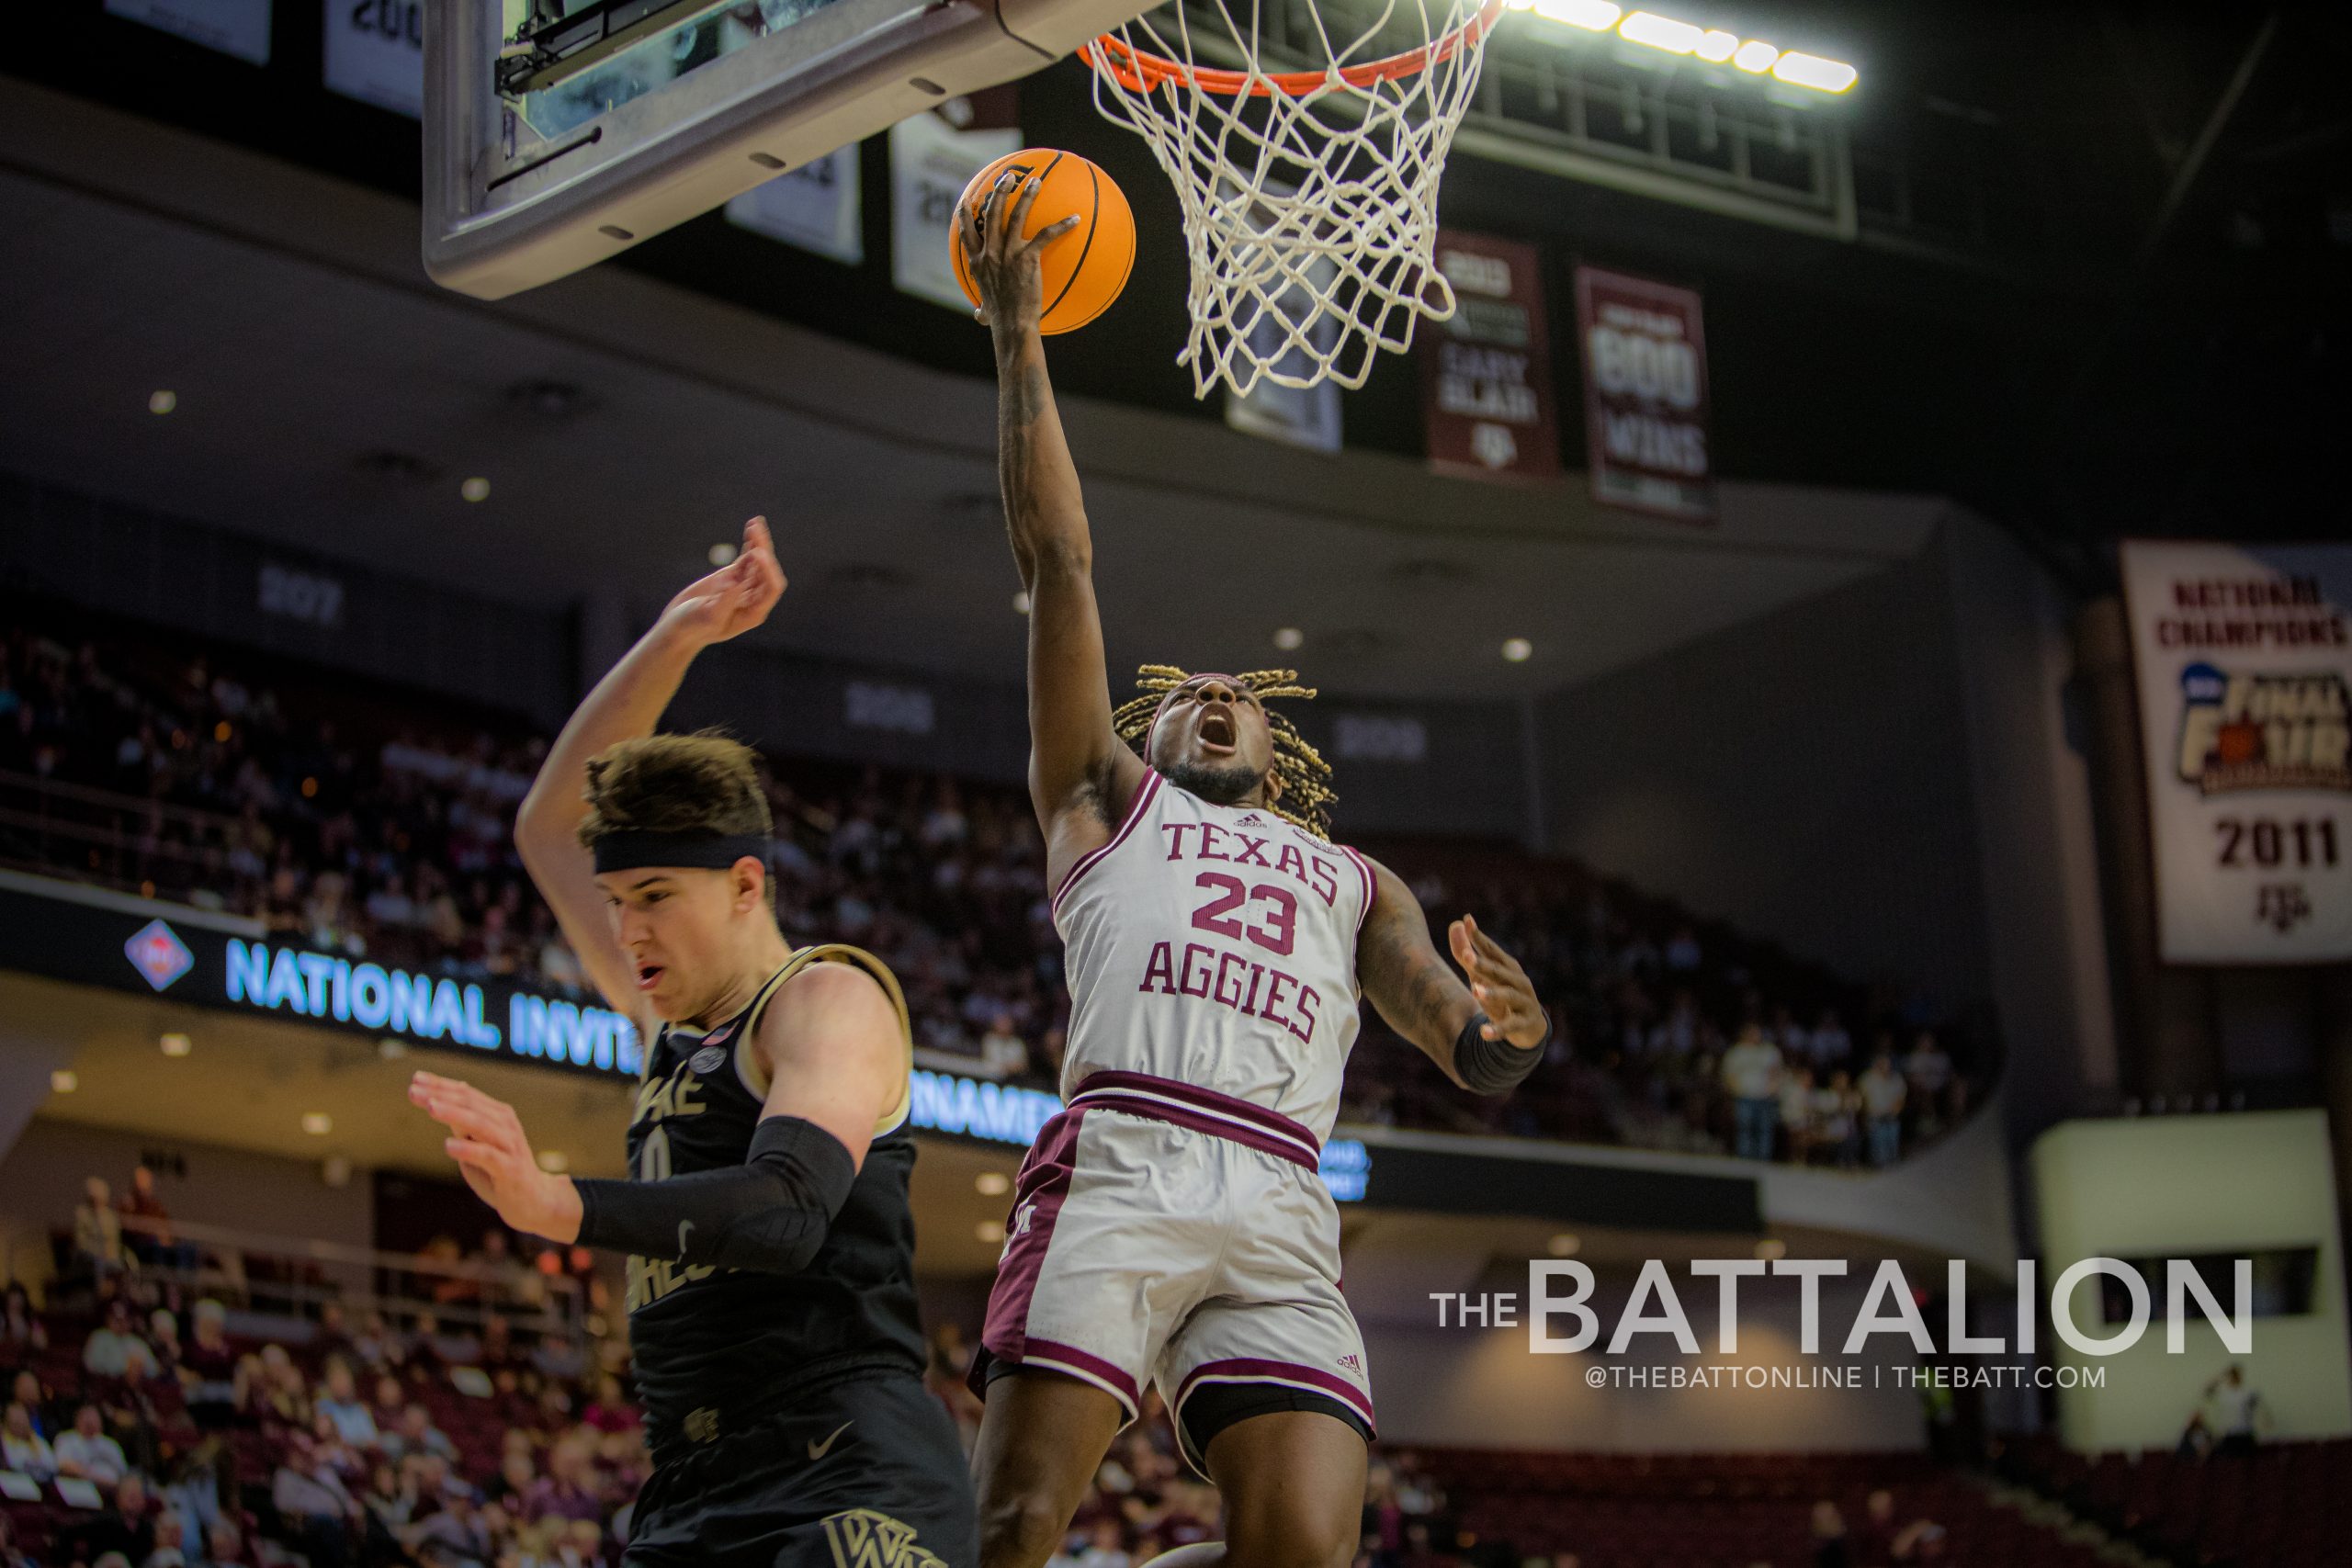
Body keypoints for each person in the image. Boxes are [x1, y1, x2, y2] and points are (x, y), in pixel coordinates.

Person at [960, 180, 1552, 1568]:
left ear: (1277, 759)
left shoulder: (1355, 876)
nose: (1216, 694)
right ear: (1143, 733)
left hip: (1284, 1198)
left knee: (1304, 1553)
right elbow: (1057, 558)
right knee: (1012, 1528)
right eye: (1186, 694)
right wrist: (1018, 336)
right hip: (1125, 1157)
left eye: (1240, 696)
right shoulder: (1103, 794)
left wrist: (1505, 1042)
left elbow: (1441, 1021)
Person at [407, 516, 972, 1568]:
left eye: (655, 897)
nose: (625, 933)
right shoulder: (664, 1012)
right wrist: (674, 639)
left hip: (847, 1469)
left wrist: (558, 1202)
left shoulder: (827, 1002)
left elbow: (791, 1211)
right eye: (616, 901)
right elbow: (543, 828)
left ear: (748, 884)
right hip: (689, 1485)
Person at [1719, 1024, 1783, 1161]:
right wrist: (1736, 1090)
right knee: (1745, 1128)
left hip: (1764, 1097)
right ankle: (1745, 1159)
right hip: (1744, 1097)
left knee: (1764, 1129)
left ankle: (1763, 1159)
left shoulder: (1769, 1051)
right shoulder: (1737, 1052)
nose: (1755, 1036)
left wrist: (1773, 1089)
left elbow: (1777, 1073)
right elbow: (1729, 1074)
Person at [55, 1402, 130, 1484]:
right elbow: (64, 1465)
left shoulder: (110, 1444)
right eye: (87, 1418)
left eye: (94, 1418)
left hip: (112, 1489)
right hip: (80, 1485)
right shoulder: (67, 1439)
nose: (91, 1422)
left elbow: (123, 1471)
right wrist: (93, 1477)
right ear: (78, 1421)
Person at [1858, 1053, 1907, 1168]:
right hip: (1874, 1116)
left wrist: (1894, 1111)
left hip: (1891, 1115)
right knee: (1878, 1134)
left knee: (1892, 1130)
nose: (1886, 1067)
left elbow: (1901, 1099)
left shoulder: (1897, 1079)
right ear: (1876, 1065)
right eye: (1882, 1064)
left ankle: (1893, 1160)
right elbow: (1861, 1098)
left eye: (1888, 1065)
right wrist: (1864, 1115)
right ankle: (1879, 1162)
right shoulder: (1867, 1079)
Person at [3, 1400, 56, 1479]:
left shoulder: (40, 1443)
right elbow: (11, 1463)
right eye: (16, 1423)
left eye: (22, 1420)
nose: (20, 1425)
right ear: (8, 1422)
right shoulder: (4, 1442)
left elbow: (53, 1466)